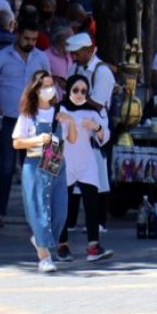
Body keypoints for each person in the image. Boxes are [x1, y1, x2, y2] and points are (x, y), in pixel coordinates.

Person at [12, 71, 76, 272]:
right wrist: (37, 140)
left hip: (55, 159)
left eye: (52, 85)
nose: (49, 90)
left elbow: (72, 139)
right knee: (39, 209)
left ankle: (41, 240)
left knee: (59, 211)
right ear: (36, 89)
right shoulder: (28, 114)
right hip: (34, 161)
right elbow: (17, 142)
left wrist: (71, 121)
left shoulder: (60, 110)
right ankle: (44, 257)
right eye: (45, 86)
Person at [0, 20, 50, 230]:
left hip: (33, 119)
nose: (30, 43)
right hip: (8, 119)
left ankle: (35, 213)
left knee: (34, 168)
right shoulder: (1, 57)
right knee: (7, 167)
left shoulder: (41, 57)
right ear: (17, 34)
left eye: (34, 39)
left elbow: (47, 83)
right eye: (26, 38)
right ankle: (0, 212)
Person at [57, 75, 113, 262]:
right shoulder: (60, 109)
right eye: (75, 90)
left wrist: (96, 127)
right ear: (68, 90)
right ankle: (62, 245)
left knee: (92, 203)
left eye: (83, 91)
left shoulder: (92, 111)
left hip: (87, 161)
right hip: (65, 161)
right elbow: (52, 137)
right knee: (61, 206)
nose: (79, 94)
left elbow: (104, 136)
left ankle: (93, 246)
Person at [66, 32, 115, 233]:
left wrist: (76, 98)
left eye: (77, 53)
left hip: (95, 127)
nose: (74, 57)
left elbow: (99, 103)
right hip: (74, 126)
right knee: (72, 174)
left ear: (88, 51)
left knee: (97, 175)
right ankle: (69, 221)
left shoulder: (102, 72)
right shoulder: (74, 67)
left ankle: (99, 221)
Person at [45, 26, 73, 100]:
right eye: (72, 38)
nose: (74, 41)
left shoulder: (71, 56)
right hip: (52, 101)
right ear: (61, 40)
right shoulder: (46, 56)